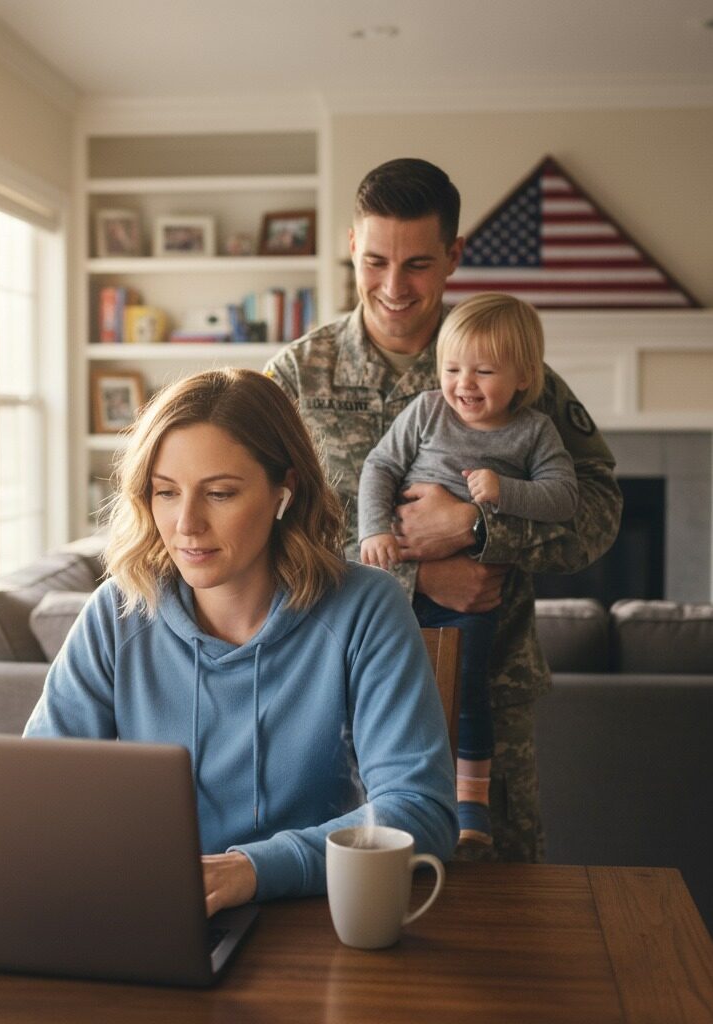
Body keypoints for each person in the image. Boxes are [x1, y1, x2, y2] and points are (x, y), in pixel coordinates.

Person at [264, 158, 622, 862]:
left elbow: (601, 511)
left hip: (486, 693)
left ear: (455, 256)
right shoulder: (296, 377)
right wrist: (413, 579)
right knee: (346, 903)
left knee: (500, 905)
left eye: (419, 264)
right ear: (351, 247)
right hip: (335, 693)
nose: (393, 288)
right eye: (375, 262)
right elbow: (258, 536)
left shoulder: (509, 365)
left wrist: (481, 530)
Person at [24, 368, 457, 915]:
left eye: (220, 493)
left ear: (285, 490)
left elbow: (421, 810)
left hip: (309, 917)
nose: (186, 524)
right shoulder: (115, 614)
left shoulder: (366, 610)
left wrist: (255, 868)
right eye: (165, 492)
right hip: (153, 914)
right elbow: (39, 794)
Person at [358, 293, 578, 847]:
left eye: (484, 371)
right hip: (396, 591)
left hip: (476, 596)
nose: (465, 384)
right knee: (394, 694)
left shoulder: (533, 432)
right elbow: (379, 466)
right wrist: (375, 532)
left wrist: (499, 498)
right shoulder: (429, 410)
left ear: (525, 376)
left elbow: (565, 498)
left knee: (467, 691)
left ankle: (471, 806)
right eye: (453, 369)